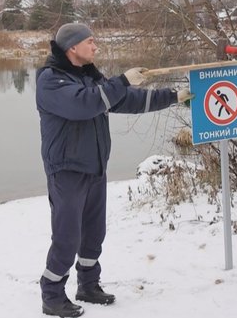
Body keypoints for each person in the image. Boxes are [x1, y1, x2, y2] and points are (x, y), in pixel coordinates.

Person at [36, 23, 193, 317]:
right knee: (67, 236)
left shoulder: (89, 78)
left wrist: (174, 96)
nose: (96, 47)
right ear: (72, 47)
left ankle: (88, 285)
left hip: (94, 166)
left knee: (94, 233)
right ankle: (52, 294)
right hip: (67, 170)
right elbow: (84, 105)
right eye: (91, 42)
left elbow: (125, 100)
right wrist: (121, 80)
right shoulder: (51, 80)